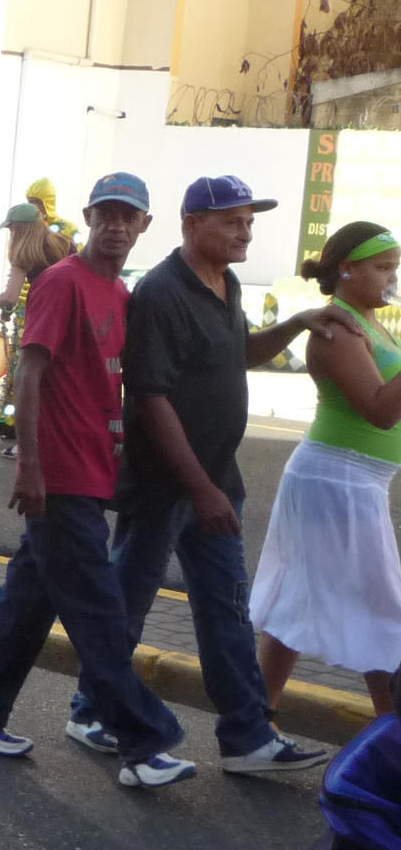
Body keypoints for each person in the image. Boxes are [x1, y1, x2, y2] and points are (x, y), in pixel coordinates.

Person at [66, 175, 340, 773]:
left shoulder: (227, 283)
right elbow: (151, 398)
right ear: (192, 226)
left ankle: (246, 737)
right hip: (168, 486)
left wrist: (296, 323)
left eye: (249, 221)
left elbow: (239, 353)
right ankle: (90, 709)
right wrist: (199, 488)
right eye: (231, 221)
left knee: (225, 608)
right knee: (127, 602)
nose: (244, 232)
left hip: (215, 480)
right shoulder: (164, 292)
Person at [0, 172, 197, 789]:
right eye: (104, 214)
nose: (115, 225)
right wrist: (31, 467)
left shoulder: (119, 296)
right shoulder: (62, 284)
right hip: (60, 476)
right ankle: (142, 743)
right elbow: (29, 376)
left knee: (26, 602)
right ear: (86, 218)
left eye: (127, 216)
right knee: (98, 611)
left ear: (143, 227)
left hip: (90, 469)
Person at [252, 222, 401, 720]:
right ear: (346, 269)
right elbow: (379, 409)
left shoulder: (368, 321)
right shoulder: (337, 329)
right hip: (338, 480)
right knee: (383, 610)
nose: (392, 278)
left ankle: (252, 723)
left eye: (394, 268)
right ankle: (392, 738)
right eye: (382, 267)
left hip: (354, 480)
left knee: (299, 600)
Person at [0, 202, 74, 447]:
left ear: (19, 229)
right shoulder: (65, 243)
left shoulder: (22, 254)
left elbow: (10, 297)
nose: (11, 234)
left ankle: (27, 444)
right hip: (71, 317)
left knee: (30, 377)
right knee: (60, 382)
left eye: (12, 229)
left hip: (43, 318)